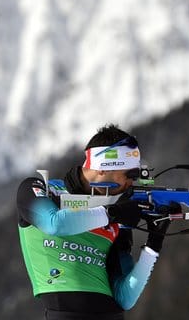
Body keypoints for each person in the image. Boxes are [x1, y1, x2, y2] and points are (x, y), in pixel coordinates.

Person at [16, 124, 169, 320]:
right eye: (129, 175)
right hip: (65, 313)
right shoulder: (42, 189)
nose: (132, 183)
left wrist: (153, 246)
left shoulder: (116, 212)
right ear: (104, 168)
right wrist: (112, 214)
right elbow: (54, 224)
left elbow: (125, 297)